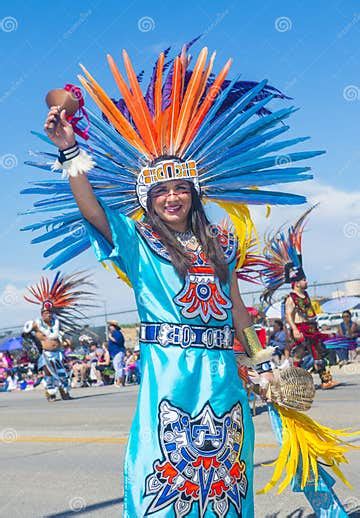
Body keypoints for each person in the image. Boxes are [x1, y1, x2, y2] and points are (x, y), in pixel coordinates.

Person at [36, 41, 325, 516]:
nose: (173, 198)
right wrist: (69, 149)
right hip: (169, 371)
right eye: (163, 191)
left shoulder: (222, 243)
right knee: (165, 472)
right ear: (149, 200)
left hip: (222, 374)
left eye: (180, 189)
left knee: (229, 472)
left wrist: (259, 359)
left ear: (193, 193)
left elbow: (234, 306)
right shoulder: (137, 238)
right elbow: (91, 208)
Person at [261, 206, 338, 390]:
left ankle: (325, 380)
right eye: (303, 279)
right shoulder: (291, 297)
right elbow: (288, 315)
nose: (306, 281)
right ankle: (294, 382)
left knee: (317, 354)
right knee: (299, 355)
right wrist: (295, 329)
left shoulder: (306, 294)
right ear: (296, 282)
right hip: (301, 329)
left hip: (311, 326)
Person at [22, 271, 95, 402]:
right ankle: (51, 394)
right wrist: (32, 346)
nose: (48, 315)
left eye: (50, 313)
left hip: (58, 353)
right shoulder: (35, 324)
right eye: (45, 313)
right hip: (46, 354)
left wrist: (66, 341)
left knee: (62, 374)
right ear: (42, 314)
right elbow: (25, 335)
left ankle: (65, 393)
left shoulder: (57, 323)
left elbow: (61, 335)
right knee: (49, 375)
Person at [107, 321, 126, 387]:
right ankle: (122, 381)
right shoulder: (114, 333)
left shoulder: (117, 333)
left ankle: (119, 381)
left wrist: (110, 337)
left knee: (118, 366)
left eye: (111, 326)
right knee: (119, 366)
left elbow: (117, 341)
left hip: (118, 351)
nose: (109, 327)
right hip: (115, 352)